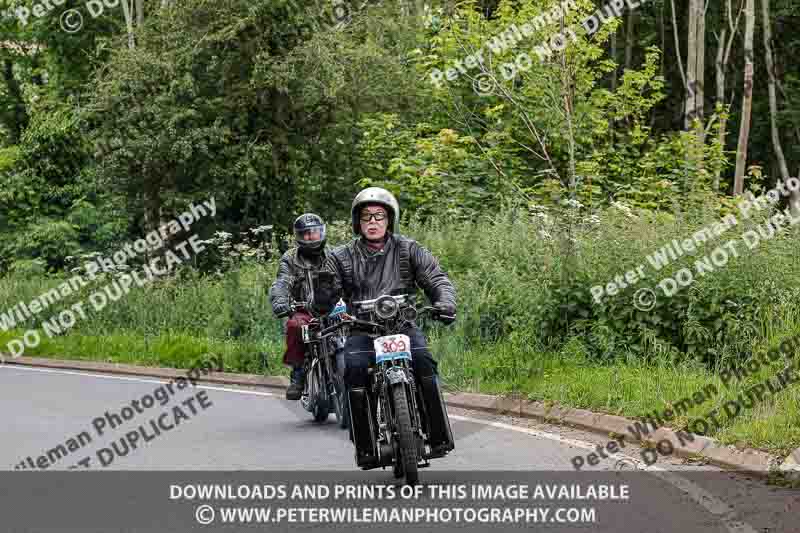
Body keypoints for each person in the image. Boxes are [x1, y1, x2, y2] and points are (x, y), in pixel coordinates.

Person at [316, 187, 456, 467]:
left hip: (403, 325)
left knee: (424, 362)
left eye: (379, 215)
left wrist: (445, 302)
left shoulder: (409, 249)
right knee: (353, 370)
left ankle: (438, 435)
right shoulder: (340, 256)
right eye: (366, 216)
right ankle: (366, 447)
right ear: (358, 222)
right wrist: (323, 293)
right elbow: (324, 298)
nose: (373, 222)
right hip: (363, 330)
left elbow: (436, 278)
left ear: (390, 219)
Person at [269, 213, 330, 400]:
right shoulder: (290, 259)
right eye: (307, 234)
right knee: (295, 326)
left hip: (333, 308)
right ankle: (298, 375)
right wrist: (280, 301)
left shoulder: (334, 254)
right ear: (299, 236)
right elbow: (282, 282)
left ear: (323, 233)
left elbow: (350, 277)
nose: (312, 237)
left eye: (316, 233)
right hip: (304, 310)